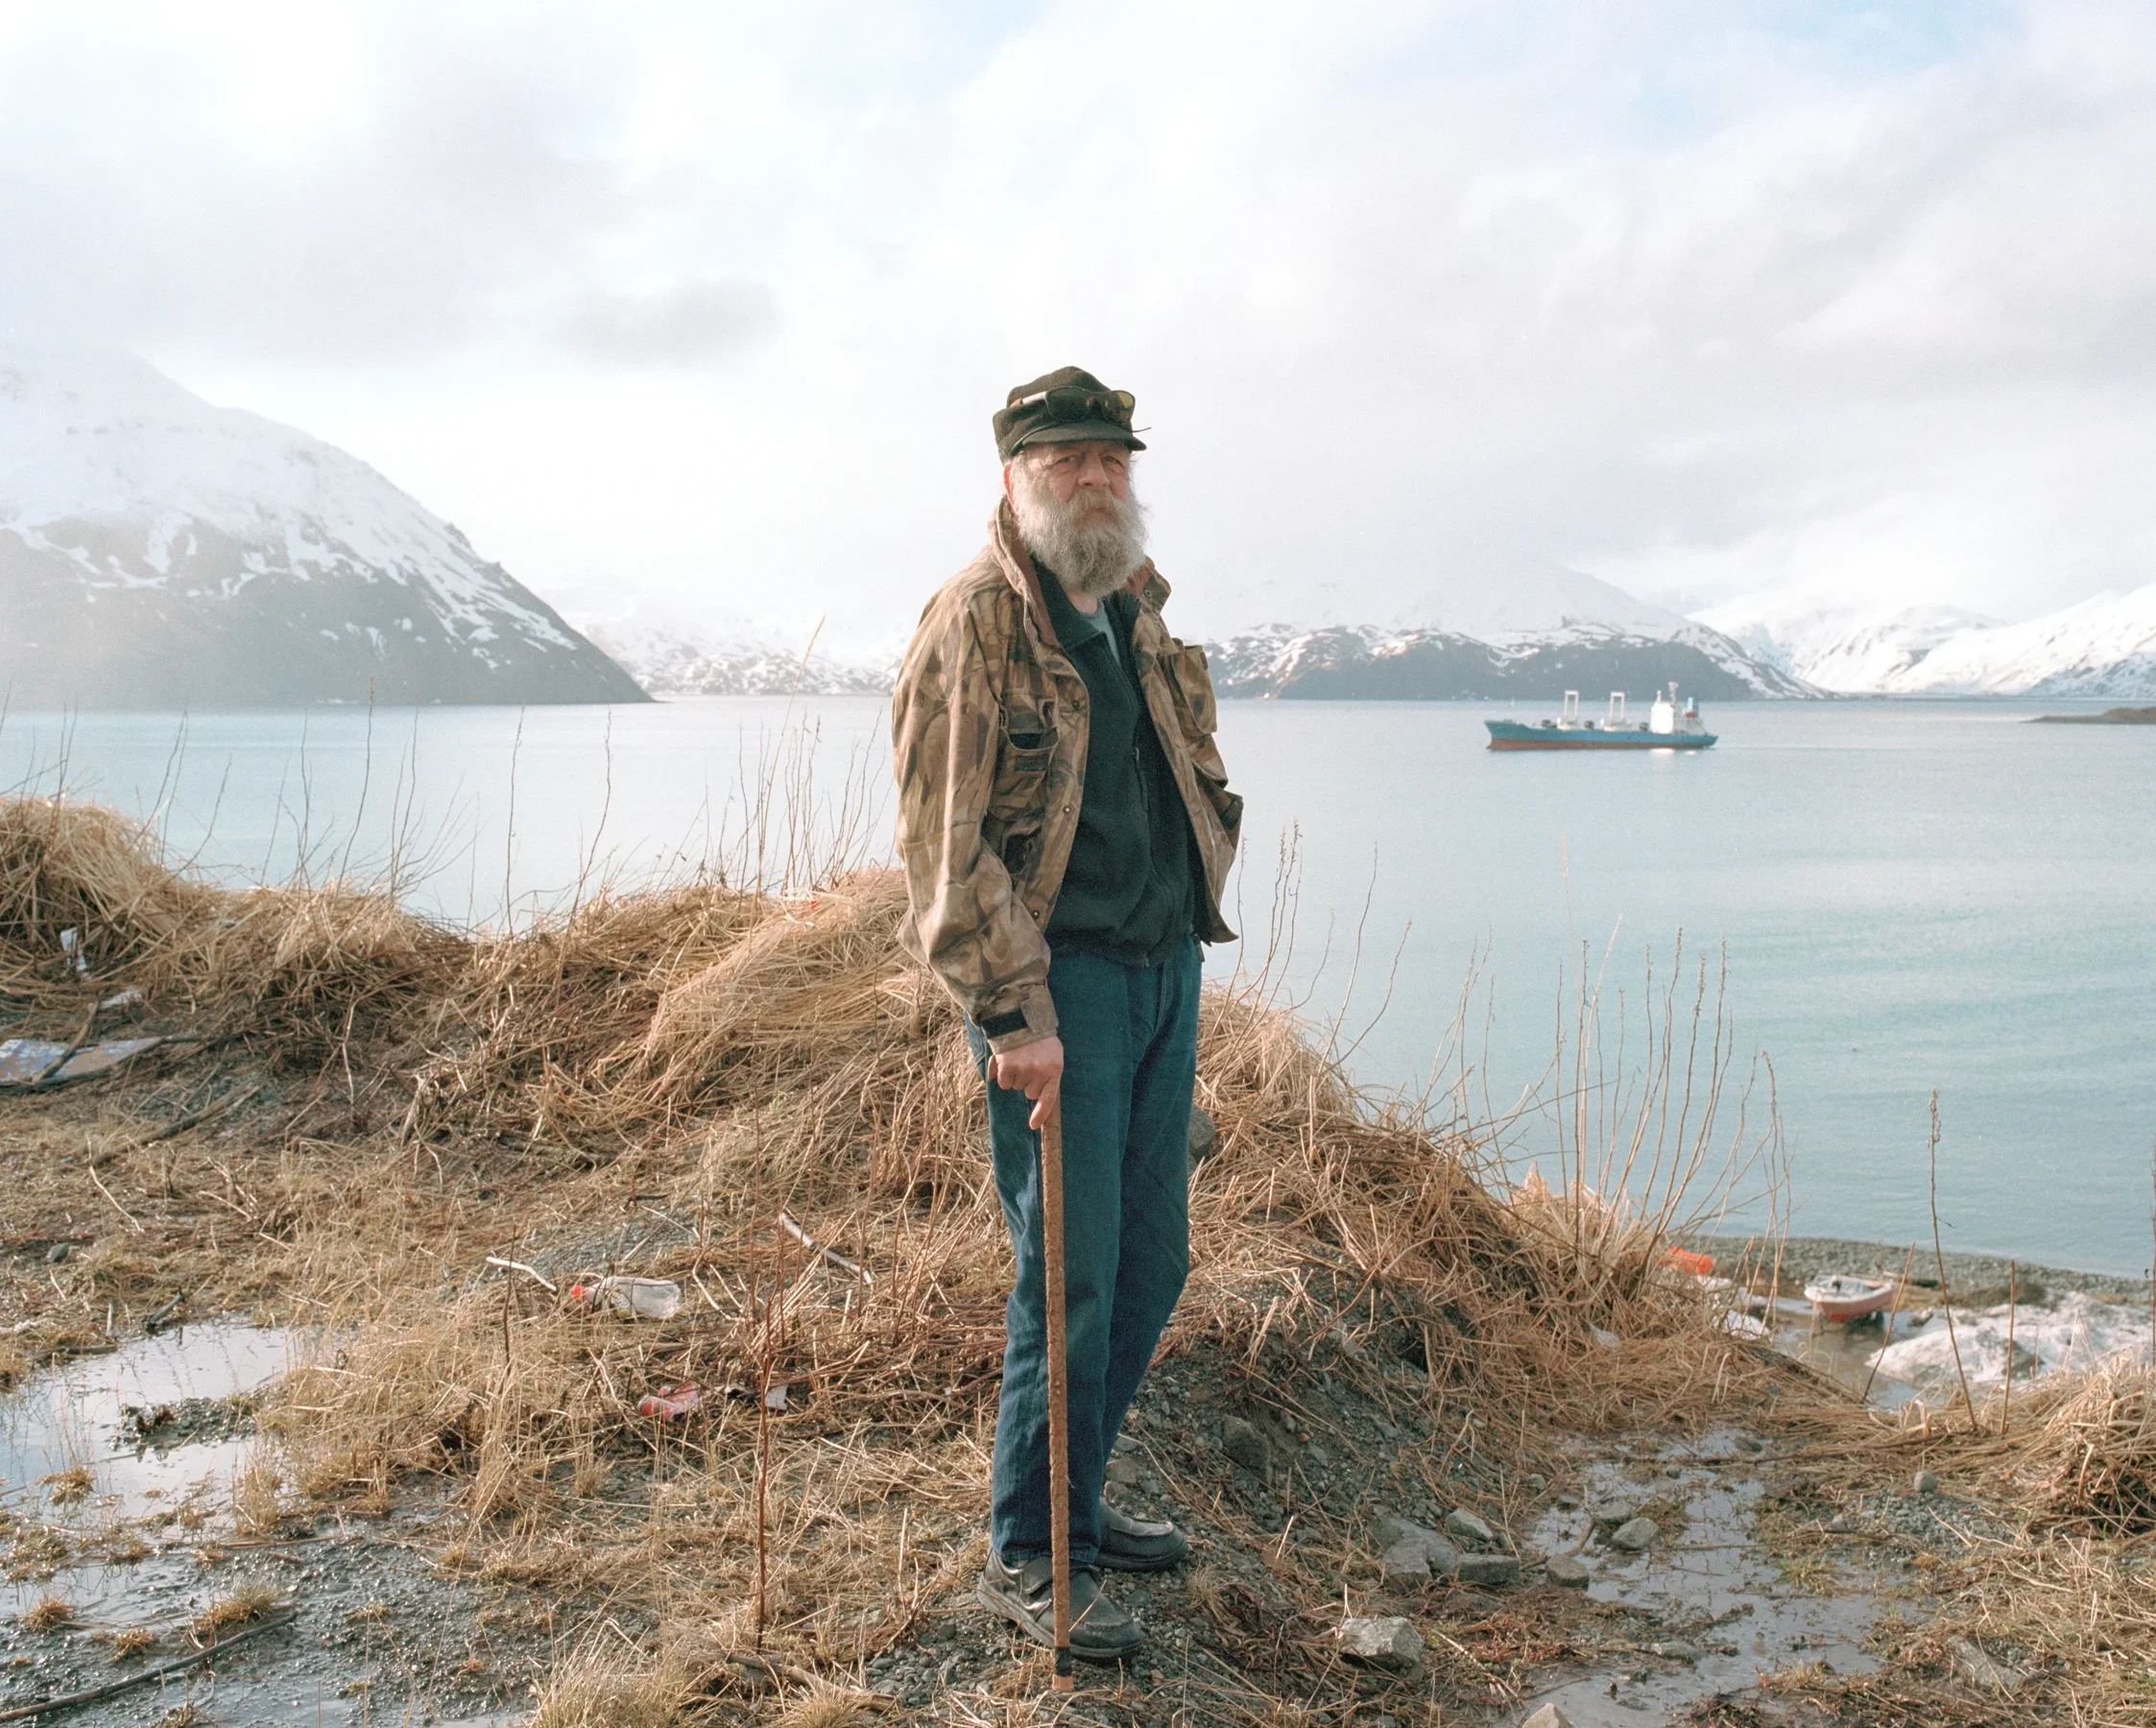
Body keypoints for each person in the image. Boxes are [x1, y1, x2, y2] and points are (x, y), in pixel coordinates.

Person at [890, 367, 1242, 1661]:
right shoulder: (976, 621)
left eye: (1111, 459)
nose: (1095, 478)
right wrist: (1007, 1014)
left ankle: (1076, 1504)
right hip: (1061, 991)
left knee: (1150, 1265)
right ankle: (1033, 1553)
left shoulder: (1126, 606)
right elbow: (943, 846)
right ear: (1011, 478)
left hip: (1161, 972)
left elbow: (1184, 769)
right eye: (1065, 461)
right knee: (1070, 1280)